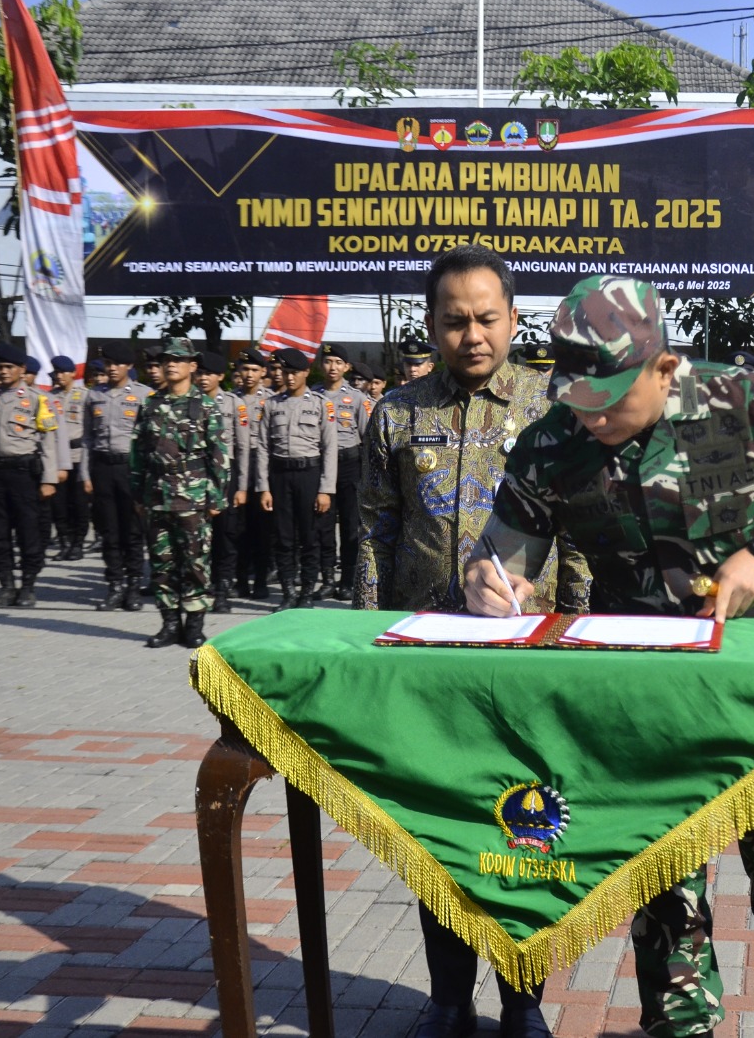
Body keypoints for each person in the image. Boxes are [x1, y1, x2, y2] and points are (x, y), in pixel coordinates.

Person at [465, 275, 754, 1038]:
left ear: (667, 367)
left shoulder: (753, 400)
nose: (596, 417)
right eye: (581, 397)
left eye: (613, 398)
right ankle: (682, 1025)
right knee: (660, 874)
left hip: (752, 679)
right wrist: (491, 578)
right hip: (639, 684)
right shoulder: (553, 442)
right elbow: (506, 553)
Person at [354, 245, 589, 1038]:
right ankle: (449, 998)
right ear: (432, 324)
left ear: (514, 319)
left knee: (524, 828)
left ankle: (522, 1001)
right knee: (438, 832)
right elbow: (373, 535)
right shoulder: (395, 413)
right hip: (429, 663)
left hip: (530, 659)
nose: (473, 334)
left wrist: (579, 635)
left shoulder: (555, 407)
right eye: (454, 320)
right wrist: (366, 641)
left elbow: (583, 533)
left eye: (488, 317)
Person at [131, 336, 229, 648]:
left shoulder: (206, 406)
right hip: (157, 496)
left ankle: (195, 625)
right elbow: (138, 453)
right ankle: (169, 624)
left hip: (193, 497)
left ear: (191, 366)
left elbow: (219, 455)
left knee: (195, 563)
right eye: (165, 360)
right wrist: (138, 495)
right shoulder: (150, 404)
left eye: (176, 360)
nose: (170, 364)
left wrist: (217, 496)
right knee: (162, 564)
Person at [0, 342, 59, 608]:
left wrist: (49, 479)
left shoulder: (36, 399)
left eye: (10, 367)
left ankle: (28, 587)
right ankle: (6, 586)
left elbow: (48, 441)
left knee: (27, 532)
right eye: (1, 367)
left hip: (24, 475)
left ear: (22, 369)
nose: (4, 371)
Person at [255, 346, 337, 610]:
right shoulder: (271, 405)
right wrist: (263, 487)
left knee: (310, 536)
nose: (289, 378)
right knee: (283, 536)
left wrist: (325, 489)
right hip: (280, 475)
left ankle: (306, 594)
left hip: (309, 476)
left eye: (294, 373)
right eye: (284, 372)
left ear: (305, 372)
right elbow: (263, 448)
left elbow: (330, 448)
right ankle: (289, 592)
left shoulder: (321, 405)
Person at [83, 343, 152, 611]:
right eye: (107, 364)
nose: (111, 369)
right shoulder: (94, 395)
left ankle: (134, 587)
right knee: (109, 530)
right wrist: (85, 474)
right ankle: (115, 585)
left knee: (132, 531)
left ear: (129, 367)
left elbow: (147, 441)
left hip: (130, 468)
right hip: (102, 468)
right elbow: (88, 438)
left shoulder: (144, 396)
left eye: (116, 364)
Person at [195, 350, 250, 613]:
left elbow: (243, 447)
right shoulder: (189, 401)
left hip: (226, 476)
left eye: (208, 374)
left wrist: (241, 487)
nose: (203, 378)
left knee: (226, 537)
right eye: (200, 373)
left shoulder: (233, 403)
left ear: (220, 376)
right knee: (198, 537)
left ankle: (223, 590)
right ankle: (200, 587)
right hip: (194, 477)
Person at [315, 343, 366, 602]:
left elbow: (368, 438)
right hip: (322, 466)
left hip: (349, 464)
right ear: (320, 365)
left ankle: (347, 581)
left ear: (346, 367)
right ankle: (326, 580)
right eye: (327, 361)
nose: (332, 367)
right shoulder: (313, 396)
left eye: (338, 362)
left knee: (349, 527)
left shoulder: (357, 398)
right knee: (322, 526)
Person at [233, 348, 274, 599]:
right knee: (238, 530)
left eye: (254, 370)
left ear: (262, 372)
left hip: (263, 473)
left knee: (262, 530)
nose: (249, 374)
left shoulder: (270, 400)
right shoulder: (229, 400)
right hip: (237, 472)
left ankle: (260, 580)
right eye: (245, 369)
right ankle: (239, 581)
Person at [47, 355, 90, 561]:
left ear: (73, 373)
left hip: (78, 454)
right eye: (57, 372)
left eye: (64, 371)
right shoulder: (49, 397)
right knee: (59, 503)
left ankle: (78, 543)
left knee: (79, 502)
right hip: (56, 457)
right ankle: (64, 540)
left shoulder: (84, 396)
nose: (60, 375)